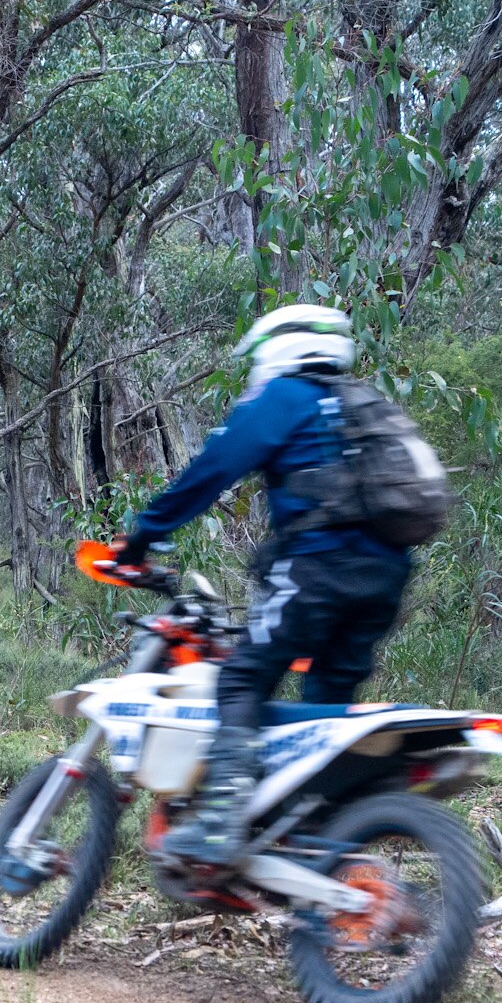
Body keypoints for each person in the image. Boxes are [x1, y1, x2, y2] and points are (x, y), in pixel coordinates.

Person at [104, 304, 414, 871]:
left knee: (242, 679)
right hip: (386, 578)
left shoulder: (285, 398)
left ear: (280, 348)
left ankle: (220, 827)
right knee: (324, 711)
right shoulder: (365, 404)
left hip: (317, 570)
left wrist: (143, 536)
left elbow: (213, 469)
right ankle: (311, 841)